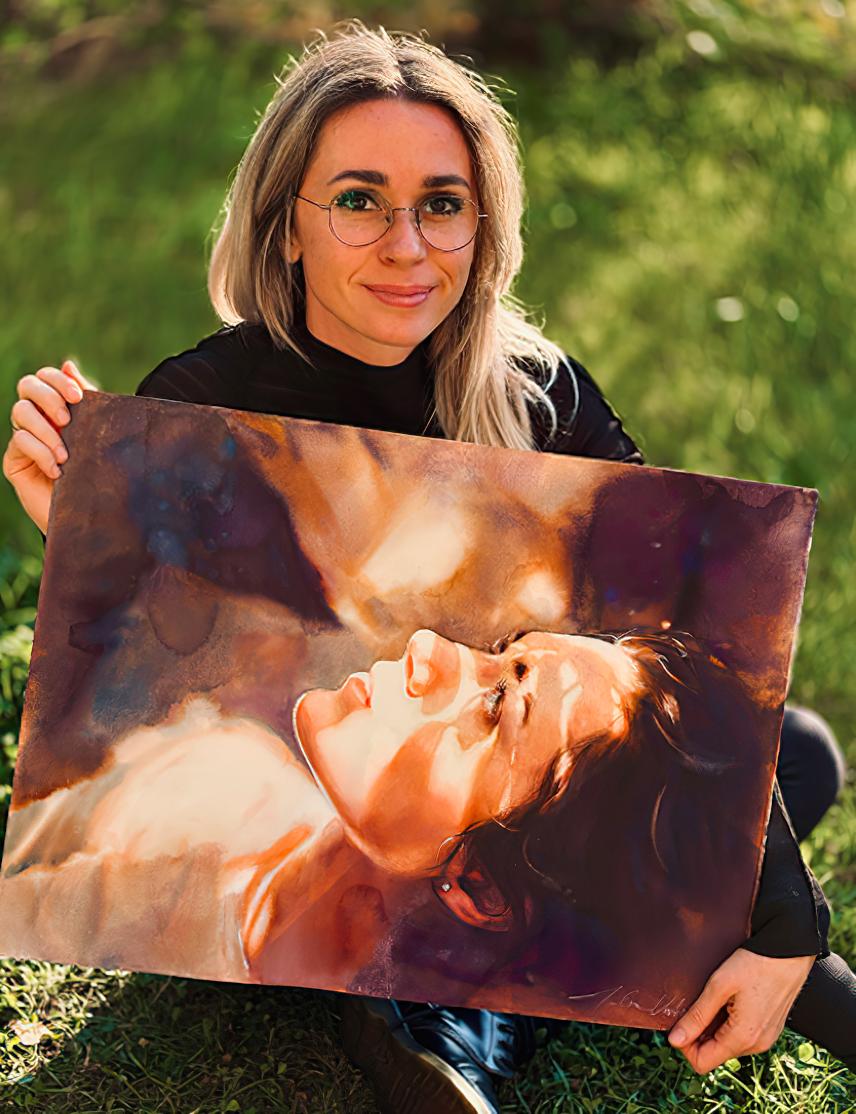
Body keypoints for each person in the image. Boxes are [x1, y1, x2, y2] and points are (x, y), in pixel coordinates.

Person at [2, 17, 852, 1110]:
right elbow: (146, 665)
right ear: (287, 224)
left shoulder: (537, 394)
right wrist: (75, 532)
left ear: (482, 224)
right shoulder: (204, 409)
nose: (408, 246)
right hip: (301, 869)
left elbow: (673, 676)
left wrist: (791, 940)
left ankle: (439, 1009)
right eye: (359, 200)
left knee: (800, 754)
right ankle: (453, 1010)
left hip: (446, 848)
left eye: (442, 204)